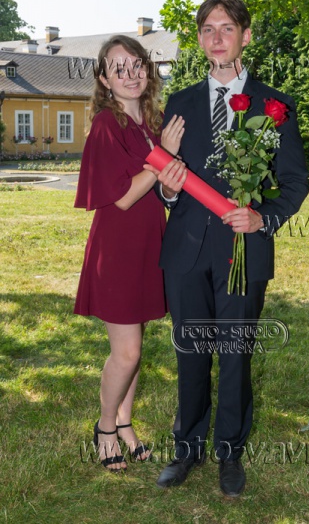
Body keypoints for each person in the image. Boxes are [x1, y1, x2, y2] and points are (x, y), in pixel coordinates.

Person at [151, 0, 309, 496]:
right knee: (190, 352)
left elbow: (295, 182)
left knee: (235, 355)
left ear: (245, 36)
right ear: (199, 39)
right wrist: (167, 190)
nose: (216, 38)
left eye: (226, 28)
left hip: (243, 250)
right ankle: (186, 449)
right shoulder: (179, 103)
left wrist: (264, 218)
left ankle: (230, 453)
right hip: (185, 250)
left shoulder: (275, 106)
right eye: (207, 29)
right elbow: (165, 182)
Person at [74, 35, 186, 472]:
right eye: (118, 68)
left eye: (136, 64)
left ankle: (124, 421)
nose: (130, 74)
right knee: (127, 352)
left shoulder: (151, 122)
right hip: (117, 248)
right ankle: (104, 428)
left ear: (148, 69)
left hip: (148, 243)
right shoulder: (108, 123)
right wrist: (164, 157)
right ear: (104, 79)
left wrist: (168, 178)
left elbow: (159, 189)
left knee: (134, 344)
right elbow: (121, 197)